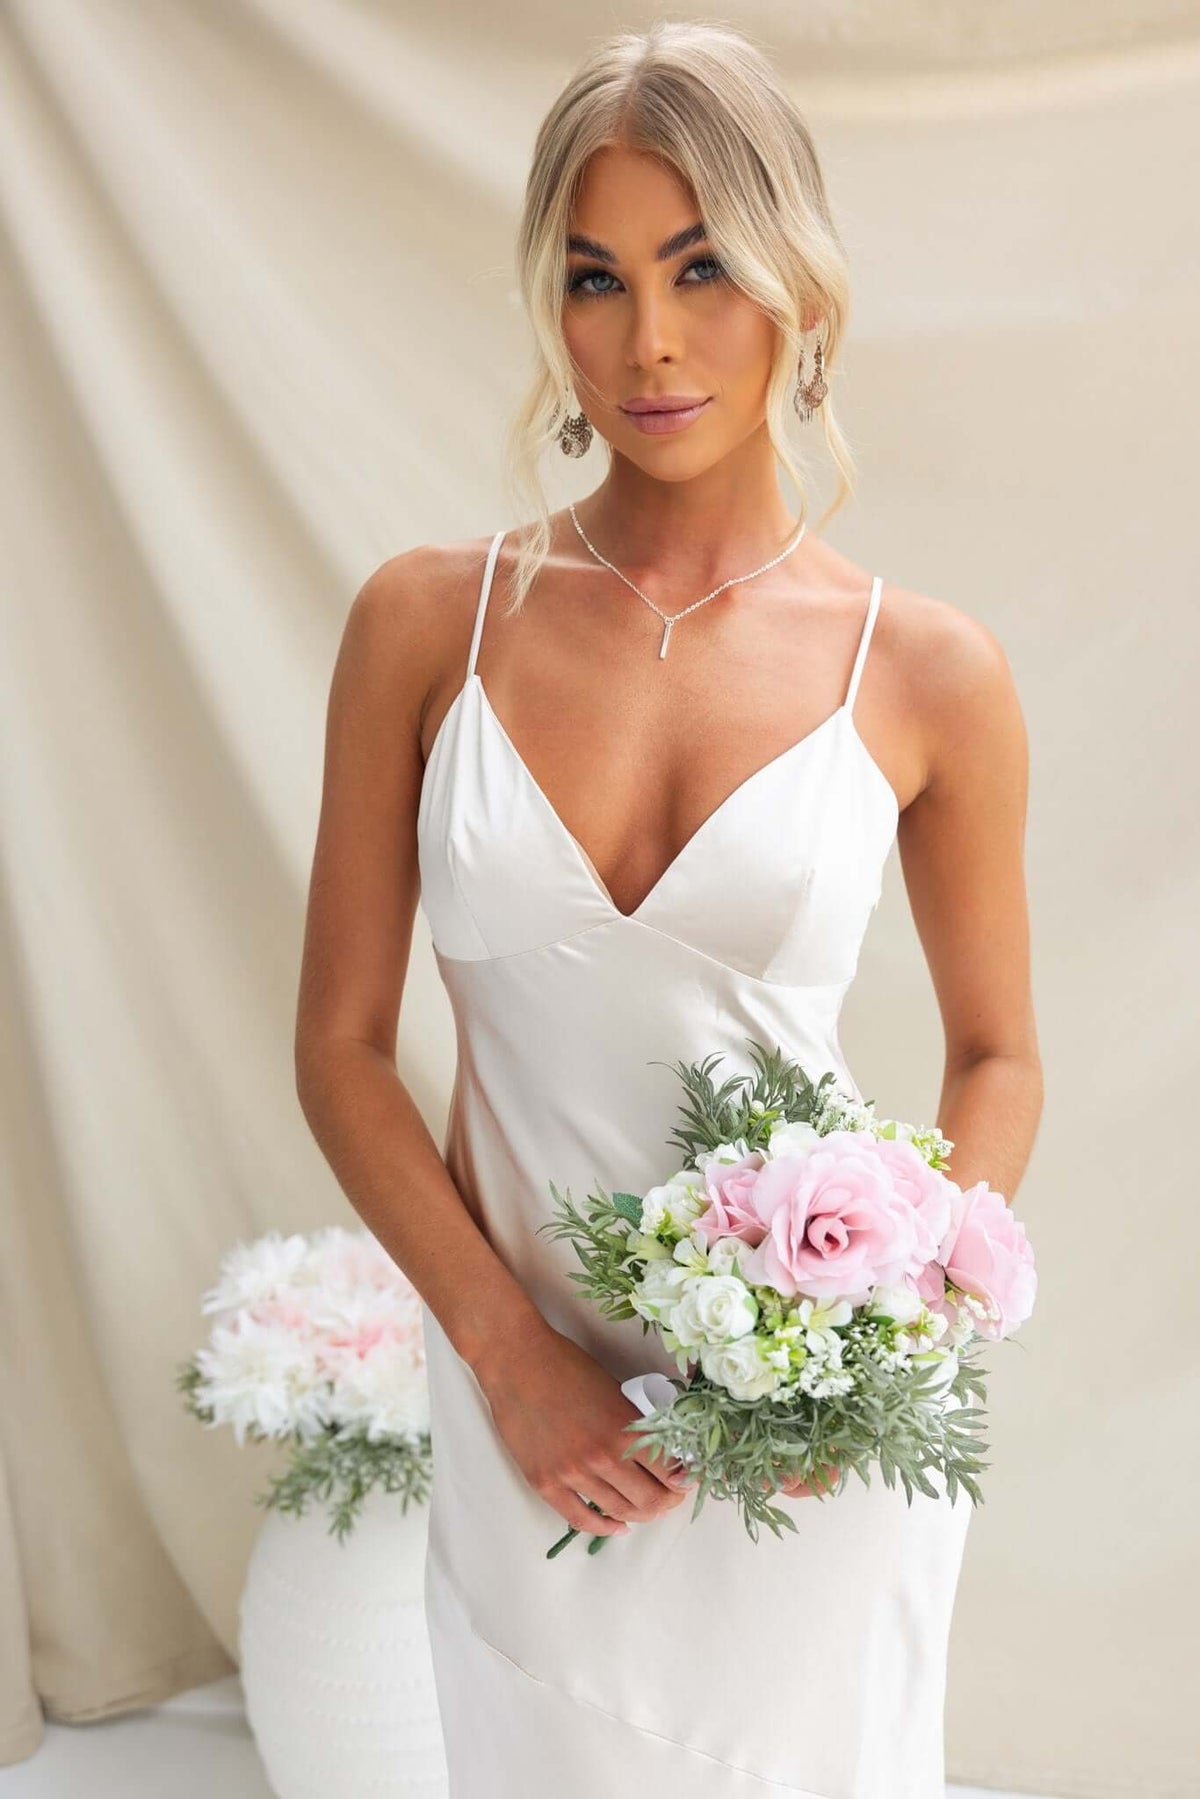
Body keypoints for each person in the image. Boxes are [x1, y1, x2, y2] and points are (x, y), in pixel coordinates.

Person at [294, 19, 1043, 1798]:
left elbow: (1001, 1052)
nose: (652, 339)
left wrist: (878, 1337)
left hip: (806, 1451)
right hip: (527, 1422)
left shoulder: (924, 669)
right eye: (597, 277)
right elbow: (336, 1048)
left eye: (704, 266)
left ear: (798, 276)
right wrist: (509, 1359)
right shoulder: (427, 623)